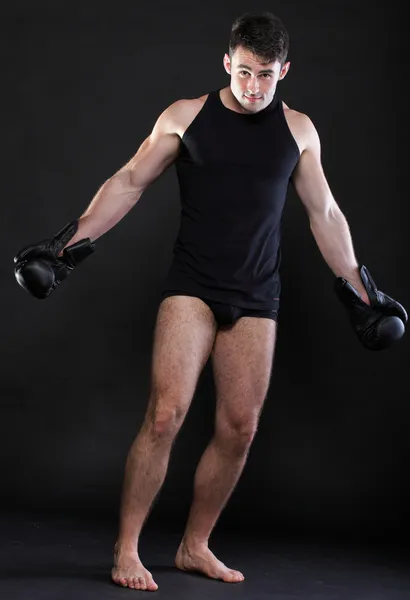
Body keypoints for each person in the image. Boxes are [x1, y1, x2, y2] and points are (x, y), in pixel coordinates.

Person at [14, 11, 407, 593]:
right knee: (166, 413)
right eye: (244, 72)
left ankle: (195, 545)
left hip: (258, 294)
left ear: (284, 72)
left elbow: (325, 213)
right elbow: (129, 180)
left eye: (266, 75)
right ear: (227, 63)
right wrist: (66, 244)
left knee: (240, 428)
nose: (253, 87)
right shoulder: (185, 116)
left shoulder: (298, 131)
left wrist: (362, 288)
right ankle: (127, 548)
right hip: (192, 287)